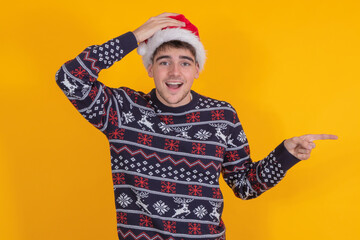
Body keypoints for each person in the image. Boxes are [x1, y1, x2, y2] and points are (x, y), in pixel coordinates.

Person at [55, 12, 337, 240]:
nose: (175, 72)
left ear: (197, 70)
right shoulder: (121, 110)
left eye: (185, 63)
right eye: (164, 62)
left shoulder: (222, 116)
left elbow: (244, 186)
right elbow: (69, 78)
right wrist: (135, 37)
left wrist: (285, 156)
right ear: (150, 69)